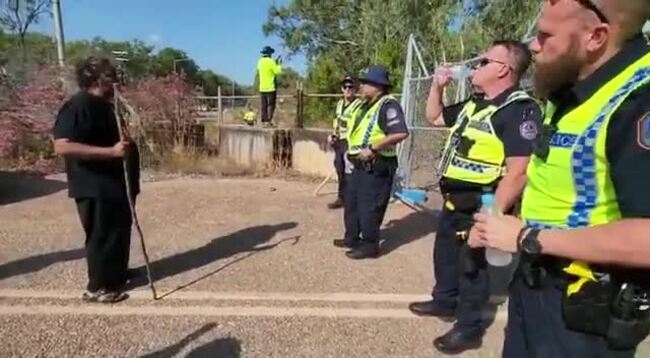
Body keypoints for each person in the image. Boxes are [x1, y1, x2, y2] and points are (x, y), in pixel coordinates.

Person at [472, 1, 650, 357]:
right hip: (536, 284)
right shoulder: (574, 84)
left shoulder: (637, 101)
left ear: (596, 36)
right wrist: (507, 222)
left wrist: (527, 236)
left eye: (544, 36)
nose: (533, 47)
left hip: (582, 315)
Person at [408, 40, 543, 354]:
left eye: (484, 61)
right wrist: (437, 86)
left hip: (481, 203)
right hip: (454, 199)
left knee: (473, 268)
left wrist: (493, 215)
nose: (476, 67)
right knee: (445, 256)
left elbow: (519, 171)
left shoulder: (519, 110)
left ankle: (468, 329)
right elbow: (434, 117)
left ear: (502, 69)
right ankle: (444, 301)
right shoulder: (474, 104)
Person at [53, 56, 140, 303]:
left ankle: (116, 275)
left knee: (118, 232)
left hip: (115, 185)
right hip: (95, 186)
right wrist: (110, 153)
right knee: (102, 235)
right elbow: (62, 146)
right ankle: (98, 287)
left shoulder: (105, 104)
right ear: (96, 79)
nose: (115, 80)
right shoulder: (78, 105)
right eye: (109, 75)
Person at [332, 65, 409, 259]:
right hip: (357, 162)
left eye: (366, 82)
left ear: (378, 86)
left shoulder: (388, 105)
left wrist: (374, 148)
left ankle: (369, 245)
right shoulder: (364, 105)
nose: (362, 86)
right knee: (352, 203)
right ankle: (352, 238)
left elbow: (400, 132)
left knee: (369, 206)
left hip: (376, 163)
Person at [327, 75, 362, 209]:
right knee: (340, 169)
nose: (348, 89)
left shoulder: (359, 105)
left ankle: (353, 199)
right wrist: (332, 135)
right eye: (345, 87)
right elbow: (337, 121)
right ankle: (341, 198)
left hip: (351, 142)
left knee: (351, 172)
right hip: (339, 141)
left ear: (355, 89)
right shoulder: (340, 104)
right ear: (342, 89)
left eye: (351, 87)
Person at [257, 46, 283, 127]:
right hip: (271, 87)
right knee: (271, 105)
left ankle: (264, 121)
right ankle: (269, 121)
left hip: (262, 87)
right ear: (269, 53)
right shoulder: (271, 61)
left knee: (263, 105)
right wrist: (278, 64)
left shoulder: (260, 62)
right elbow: (277, 72)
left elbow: (260, 70)